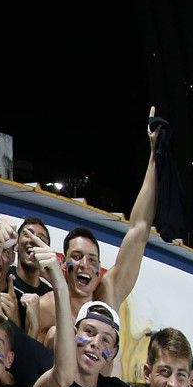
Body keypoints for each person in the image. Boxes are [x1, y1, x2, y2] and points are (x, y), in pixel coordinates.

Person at [26, 112, 161, 346]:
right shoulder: (46, 307)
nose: (84, 265)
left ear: (99, 270)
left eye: (92, 260)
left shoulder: (108, 295)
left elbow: (139, 230)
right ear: (62, 264)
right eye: (76, 257)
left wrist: (154, 158)